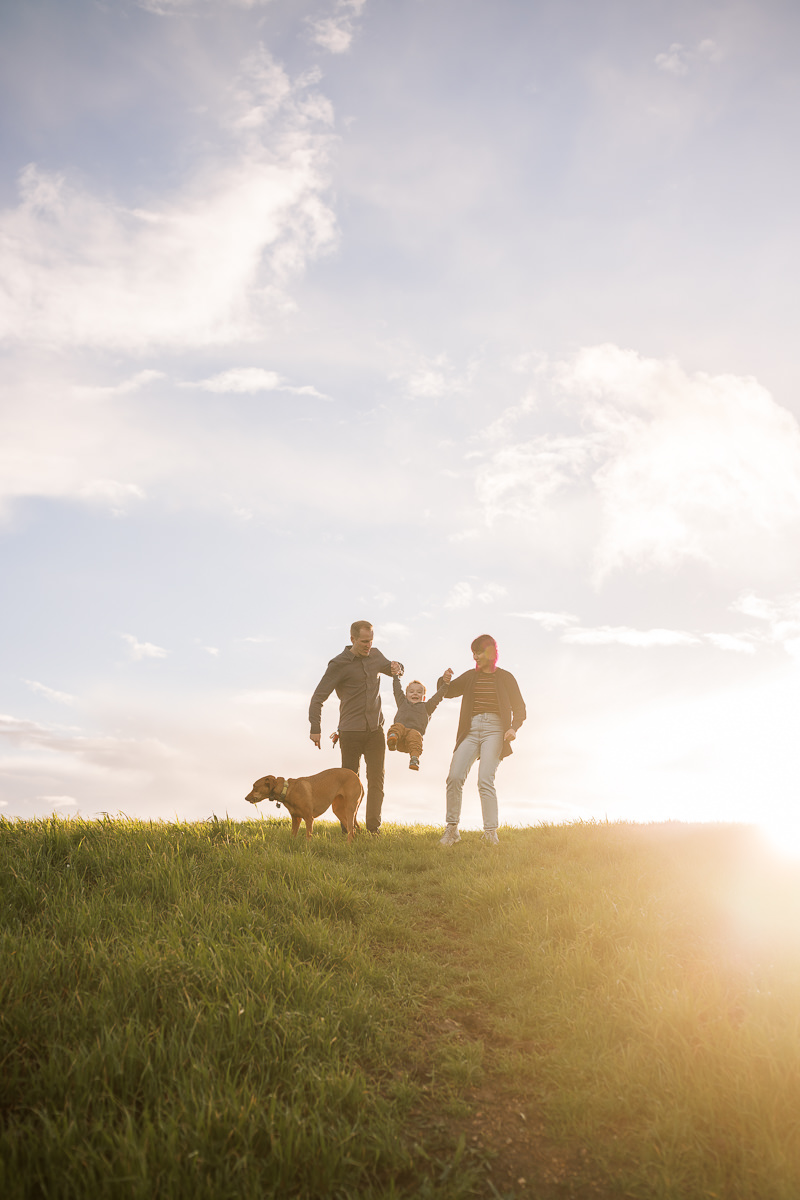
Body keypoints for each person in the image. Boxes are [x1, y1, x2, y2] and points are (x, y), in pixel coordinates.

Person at [309, 620, 403, 834]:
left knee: (377, 778)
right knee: (349, 784)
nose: (368, 645)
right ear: (352, 639)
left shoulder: (376, 656)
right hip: (350, 732)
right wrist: (315, 727)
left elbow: (394, 669)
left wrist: (399, 668)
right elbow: (318, 697)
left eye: (370, 641)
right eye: (363, 642)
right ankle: (348, 827)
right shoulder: (338, 664)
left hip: (375, 731)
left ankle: (373, 828)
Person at [438, 634, 526, 847]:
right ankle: (452, 830)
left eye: (478, 652)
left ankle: (490, 833)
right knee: (454, 777)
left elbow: (520, 709)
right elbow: (447, 692)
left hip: (495, 731)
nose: (475, 656)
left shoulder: (506, 677)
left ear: (491, 653)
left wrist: (513, 728)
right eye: (473, 653)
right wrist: (444, 680)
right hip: (470, 729)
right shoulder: (470, 677)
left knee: (485, 779)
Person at [387, 670, 452, 770]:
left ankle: (414, 759)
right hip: (399, 739)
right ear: (406, 694)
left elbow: (437, 697)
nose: (415, 694)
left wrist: (446, 684)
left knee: (415, 735)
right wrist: (396, 676)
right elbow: (397, 689)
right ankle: (392, 740)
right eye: (411, 691)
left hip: (412, 742)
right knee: (398, 726)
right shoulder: (402, 702)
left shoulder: (427, 707)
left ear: (423, 697)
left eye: (419, 692)